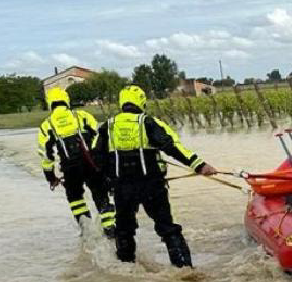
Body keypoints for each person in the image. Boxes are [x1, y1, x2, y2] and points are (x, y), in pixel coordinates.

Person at [90, 85, 219, 268]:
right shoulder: (148, 122)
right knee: (167, 228)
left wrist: (109, 179)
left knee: (124, 230)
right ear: (141, 101)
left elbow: (96, 156)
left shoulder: (107, 127)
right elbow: (172, 146)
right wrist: (199, 165)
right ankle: (185, 270)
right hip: (152, 186)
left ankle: (126, 269)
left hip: (123, 188)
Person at [38, 87, 115, 237]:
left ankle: (86, 232)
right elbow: (100, 140)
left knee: (75, 199)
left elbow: (46, 156)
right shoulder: (83, 116)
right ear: (66, 101)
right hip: (91, 164)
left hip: (70, 169)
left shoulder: (47, 125)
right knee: (101, 195)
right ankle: (110, 229)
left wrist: (51, 177)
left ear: (50, 103)